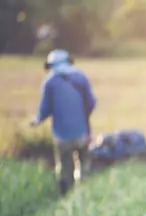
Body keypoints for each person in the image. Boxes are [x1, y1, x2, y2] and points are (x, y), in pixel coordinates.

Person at [30, 49, 97, 195]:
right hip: (83, 132)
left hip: (62, 135)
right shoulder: (81, 77)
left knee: (65, 168)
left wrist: (36, 120)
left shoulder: (50, 82)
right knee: (84, 165)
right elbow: (91, 103)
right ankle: (83, 194)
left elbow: (44, 109)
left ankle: (66, 196)